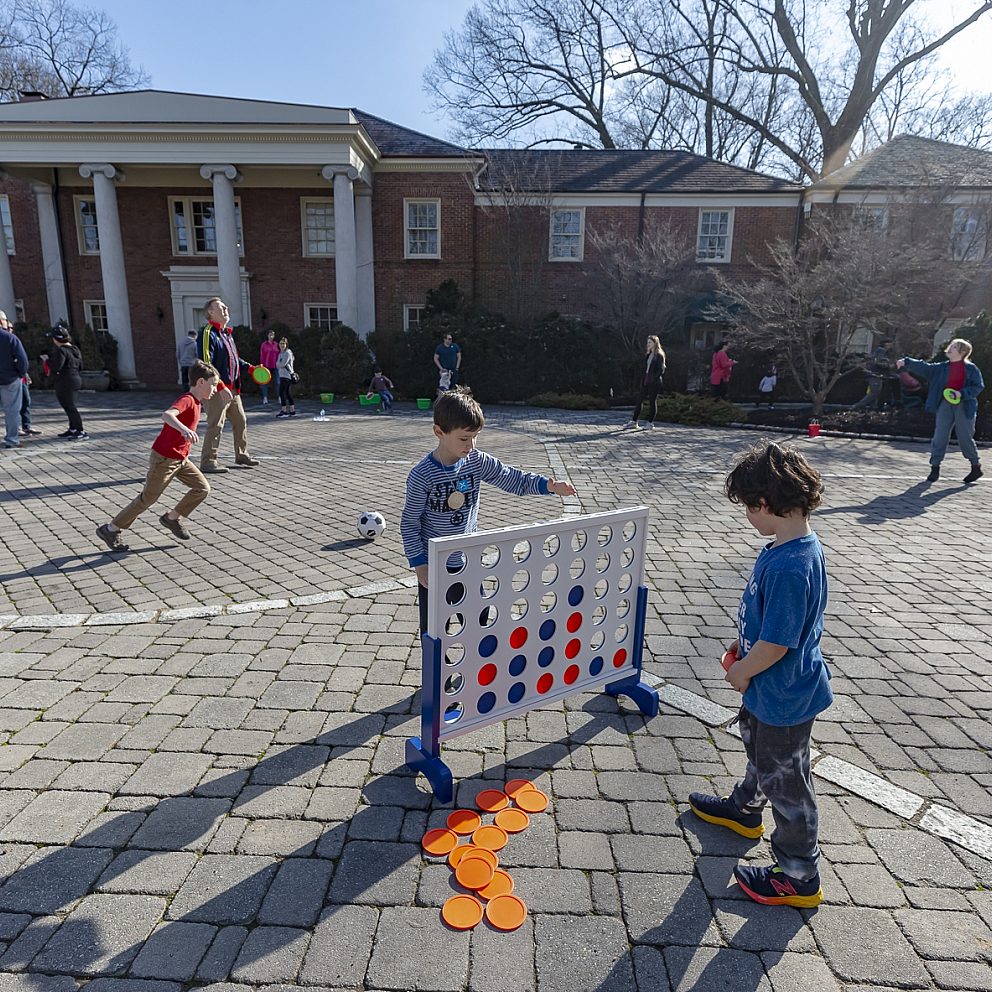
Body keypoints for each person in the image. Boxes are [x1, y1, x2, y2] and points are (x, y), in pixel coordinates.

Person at [689, 441, 830, 909]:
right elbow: (772, 626)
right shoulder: (787, 547)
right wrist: (743, 647)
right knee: (762, 753)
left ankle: (798, 873)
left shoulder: (792, 564)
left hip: (782, 694)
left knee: (787, 782)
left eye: (750, 507)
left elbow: (778, 643)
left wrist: (744, 670)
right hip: (771, 689)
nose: (748, 516)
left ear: (767, 504)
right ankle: (745, 811)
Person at [401, 386, 577, 634]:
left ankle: (473, 669)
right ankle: (441, 673)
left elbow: (512, 478)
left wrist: (548, 486)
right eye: (464, 438)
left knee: (479, 620)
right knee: (434, 629)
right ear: (439, 432)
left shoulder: (476, 460)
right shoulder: (422, 475)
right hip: (435, 565)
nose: (471, 445)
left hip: (469, 561)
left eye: (476, 436)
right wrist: (420, 564)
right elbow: (410, 523)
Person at [95, 361, 220, 552]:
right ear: (201, 382)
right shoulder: (187, 399)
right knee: (147, 499)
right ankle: (110, 529)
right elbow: (167, 415)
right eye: (213, 384)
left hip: (180, 460)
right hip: (164, 459)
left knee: (202, 488)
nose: (215, 388)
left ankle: (171, 518)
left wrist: (185, 451)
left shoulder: (197, 401)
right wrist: (185, 429)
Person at [897, 338, 984, 484]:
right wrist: (907, 361)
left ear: (962, 352)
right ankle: (935, 467)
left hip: (964, 405)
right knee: (940, 435)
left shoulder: (971, 369)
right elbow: (924, 367)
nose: (950, 348)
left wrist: (962, 393)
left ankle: (975, 466)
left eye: (954, 347)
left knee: (965, 437)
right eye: (951, 345)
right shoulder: (941, 368)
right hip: (944, 404)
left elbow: (978, 386)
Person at [198, 297, 259, 473]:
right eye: (221, 307)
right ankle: (208, 462)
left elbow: (234, 360)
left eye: (225, 306)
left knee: (240, 420)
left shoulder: (226, 334)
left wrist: (251, 368)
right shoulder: (208, 333)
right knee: (216, 424)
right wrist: (219, 386)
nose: (226, 309)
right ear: (210, 312)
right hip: (216, 389)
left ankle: (241, 455)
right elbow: (205, 363)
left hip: (232, 389)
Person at [41, 322, 87, 440]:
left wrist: (47, 360)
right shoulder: (75, 349)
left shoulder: (61, 351)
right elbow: (81, 366)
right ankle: (73, 428)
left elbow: (57, 366)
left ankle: (80, 430)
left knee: (70, 406)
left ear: (57, 339)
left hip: (65, 381)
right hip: (75, 378)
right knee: (69, 405)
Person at [624, 335, 666, 431]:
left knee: (652, 401)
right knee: (639, 400)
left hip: (654, 382)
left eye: (650, 342)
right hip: (646, 380)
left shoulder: (659, 356)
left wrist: (653, 379)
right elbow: (645, 369)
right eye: (647, 342)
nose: (648, 344)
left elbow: (660, 370)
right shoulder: (648, 355)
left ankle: (650, 423)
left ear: (655, 343)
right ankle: (634, 421)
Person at [0, 311, 28, 449]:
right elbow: (22, 360)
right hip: (10, 378)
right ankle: (12, 439)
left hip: (8, 376)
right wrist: (21, 373)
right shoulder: (10, 338)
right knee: (12, 410)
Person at [851, 342, 890, 410]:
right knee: (875, 392)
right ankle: (858, 406)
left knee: (875, 393)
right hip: (875, 375)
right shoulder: (881, 350)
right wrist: (888, 366)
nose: (891, 346)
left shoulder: (880, 351)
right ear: (885, 344)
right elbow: (878, 362)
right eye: (890, 344)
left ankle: (873, 408)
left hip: (874, 374)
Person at [275, 337, 297, 418]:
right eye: (280, 344)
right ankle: (292, 410)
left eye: (283, 344)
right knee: (287, 393)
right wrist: (278, 364)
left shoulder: (288, 352)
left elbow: (282, 364)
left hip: (287, 375)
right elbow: (277, 364)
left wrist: (279, 364)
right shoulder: (280, 353)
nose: (282, 345)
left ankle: (284, 410)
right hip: (282, 375)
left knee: (281, 392)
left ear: (286, 344)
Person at [259, 329, 280, 405]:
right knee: (265, 382)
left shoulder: (276, 344)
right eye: (270, 335)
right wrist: (262, 365)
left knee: (278, 382)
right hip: (266, 365)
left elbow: (279, 354)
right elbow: (262, 355)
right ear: (267, 335)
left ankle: (279, 397)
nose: (271, 336)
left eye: (273, 335)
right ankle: (265, 397)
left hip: (275, 365)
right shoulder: (264, 345)